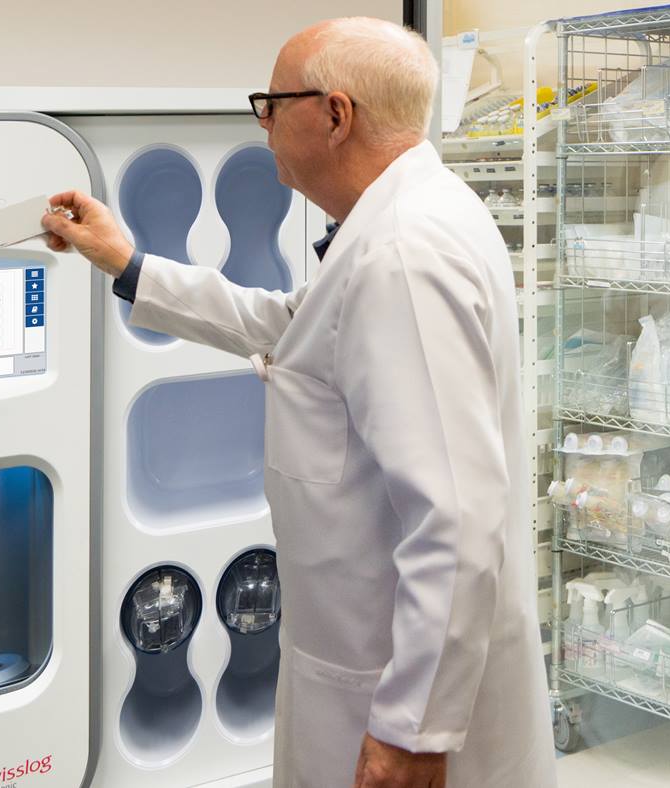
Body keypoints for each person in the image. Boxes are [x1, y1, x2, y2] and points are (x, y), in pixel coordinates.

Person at [42, 16, 555, 788]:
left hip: (389, 688)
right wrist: (127, 262)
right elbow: (294, 330)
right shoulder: (406, 219)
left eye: (272, 102)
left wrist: (412, 732)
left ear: (335, 115)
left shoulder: (403, 255)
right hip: (367, 656)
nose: (264, 121)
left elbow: (453, 512)